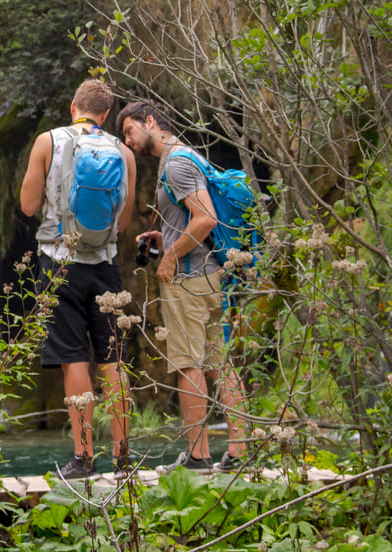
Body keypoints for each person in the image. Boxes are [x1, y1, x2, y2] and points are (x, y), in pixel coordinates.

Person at [116, 100, 249, 473]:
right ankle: (239, 451)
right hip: (208, 274)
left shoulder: (175, 162)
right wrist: (164, 236)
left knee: (188, 364)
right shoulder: (185, 158)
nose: (128, 141)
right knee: (217, 363)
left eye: (129, 131)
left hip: (189, 279)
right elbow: (193, 217)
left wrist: (171, 254)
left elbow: (204, 218)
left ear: (151, 121)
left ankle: (198, 456)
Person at [19, 79, 136, 478]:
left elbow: (28, 204)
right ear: (106, 114)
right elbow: (123, 219)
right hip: (105, 263)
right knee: (113, 358)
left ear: (74, 106)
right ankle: (123, 457)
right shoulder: (123, 152)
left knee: (73, 358)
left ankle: (83, 458)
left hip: (59, 263)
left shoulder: (47, 141)